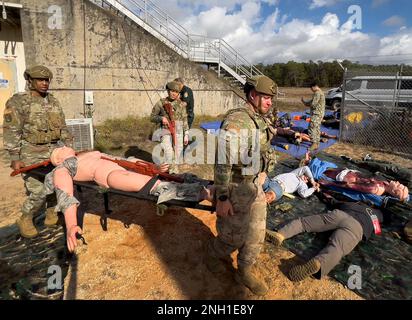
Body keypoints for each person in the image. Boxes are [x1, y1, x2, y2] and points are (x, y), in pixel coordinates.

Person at [44, 147, 213, 252]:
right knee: (157, 186)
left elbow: (123, 160)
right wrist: (72, 223)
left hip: (123, 166)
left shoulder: (90, 153)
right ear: (57, 160)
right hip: (111, 176)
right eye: (59, 151)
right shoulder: (64, 167)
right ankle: (205, 193)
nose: (65, 148)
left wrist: (151, 167)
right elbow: (66, 194)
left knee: (170, 177)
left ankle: (202, 184)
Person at [206, 75, 278, 296]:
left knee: (255, 234)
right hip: (236, 188)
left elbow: (264, 149)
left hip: (254, 185)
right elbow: (223, 161)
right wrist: (222, 197)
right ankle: (214, 254)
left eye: (271, 98)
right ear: (253, 95)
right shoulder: (238, 121)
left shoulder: (259, 118)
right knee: (232, 236)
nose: (269, 102)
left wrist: (265, 169)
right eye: (266, 97)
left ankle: (243, 270)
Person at [3, 65, 73, 238]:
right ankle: (26, 217)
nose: (44, 83)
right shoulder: (18, 102)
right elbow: (12, 130)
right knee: (38, 191)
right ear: (30, 81)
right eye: (40, 80)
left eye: (46, 80)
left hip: (54, 151)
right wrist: (14, 156)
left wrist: (71, 146)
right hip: (31, 152)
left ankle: (51, 214)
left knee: (55, 183)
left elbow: (63, 127)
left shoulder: (53, 101)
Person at [266, 201, 385, 282]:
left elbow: (334, 202)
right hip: (357, 228)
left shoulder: (355, 204)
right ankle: (319, 263)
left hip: (341, 215)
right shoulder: (376, 218)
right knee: (337, 248)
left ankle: (280, 235)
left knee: (303, 223)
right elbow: (377, 231)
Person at [302, 153, 409, 202]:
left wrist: (329, 184)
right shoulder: (386, 183)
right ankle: (310, 162)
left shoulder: (374, 189)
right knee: (327, 165)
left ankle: (308, 164)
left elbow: (350, 186)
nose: (398, 182)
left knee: (322, 170)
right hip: (349, 173)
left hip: (342, 177)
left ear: (394, 191)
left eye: (399, 185)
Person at [150, 81, 189, 173]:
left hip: (179, 129)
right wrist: (161, 118)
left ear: (178, 93)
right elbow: (152, 117)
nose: (173, 93)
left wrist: (186, 133)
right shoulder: (161, 103)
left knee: (178, 151)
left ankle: (174, 170)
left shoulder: (181, 104)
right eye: (171, 91)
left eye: (176, 92)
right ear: (168, 91)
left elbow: (184, 119)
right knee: (168, 151)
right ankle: (170, 172)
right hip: (166, 129)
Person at [301, 82, 326, 150]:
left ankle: (314, 143)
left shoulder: (317, 93)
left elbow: (313, 104)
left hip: (316, 114)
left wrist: (308, 104)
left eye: (311, 88)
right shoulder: (320, 92)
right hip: (319, 114)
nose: (311, 90)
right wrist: (305, 102)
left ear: (313, 87)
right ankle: (317, 143)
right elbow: (311, 102)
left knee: (312, 128)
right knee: (316, 128)